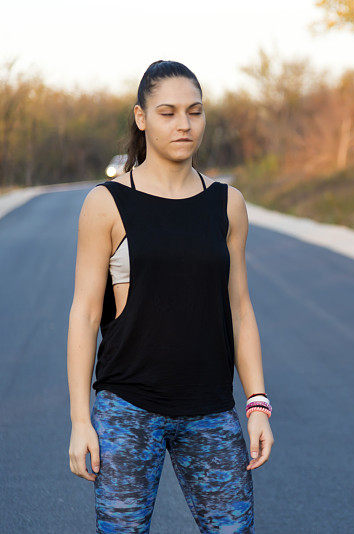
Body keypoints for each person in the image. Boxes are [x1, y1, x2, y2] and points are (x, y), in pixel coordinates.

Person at [66, 60, 274, 533]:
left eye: (194, 111)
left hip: (210, 410)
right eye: (168, 112)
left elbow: (240, 309)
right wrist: (82, 420)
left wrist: (257, 404)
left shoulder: (227, 203)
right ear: (141, 117)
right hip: (127, 408)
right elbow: (84, 313)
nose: (184, 124)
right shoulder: (107, 203)